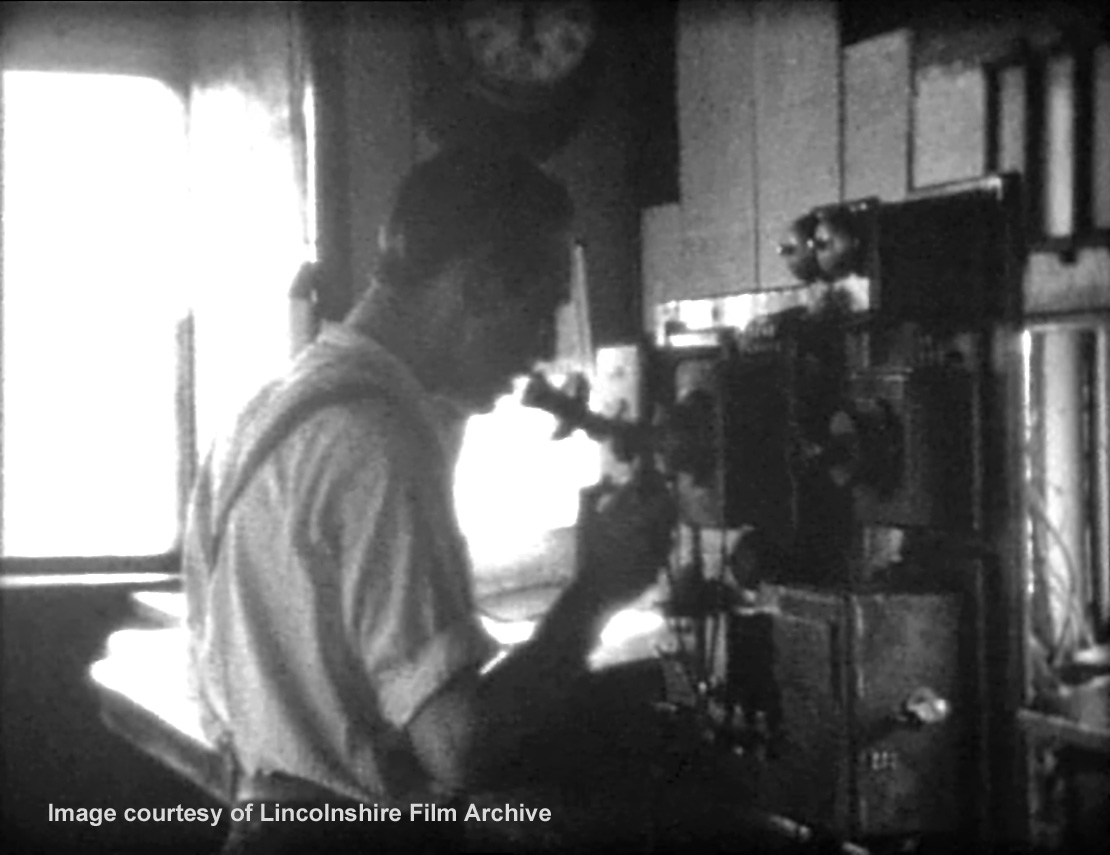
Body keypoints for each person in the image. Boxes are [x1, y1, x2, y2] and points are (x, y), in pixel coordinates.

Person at [182, 148, 676, 853]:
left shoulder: (263, 414)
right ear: (475, 286)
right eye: (541, 312)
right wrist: (596, 592)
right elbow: (459, 746)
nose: (541, 351)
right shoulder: (379, 442)